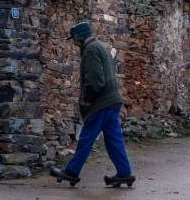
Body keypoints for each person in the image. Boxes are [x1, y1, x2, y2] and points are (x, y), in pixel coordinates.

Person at [50, 21, 135, 188]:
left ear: (79, 37)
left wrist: (87, 98)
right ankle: (124, 173)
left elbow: (96, 81)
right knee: (114, 140)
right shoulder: (99, 47)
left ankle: (71, 172)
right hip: (112, 101)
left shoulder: (90, 50)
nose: (74, 43)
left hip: (100, 103)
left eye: (74, 39)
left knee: (86, 139)